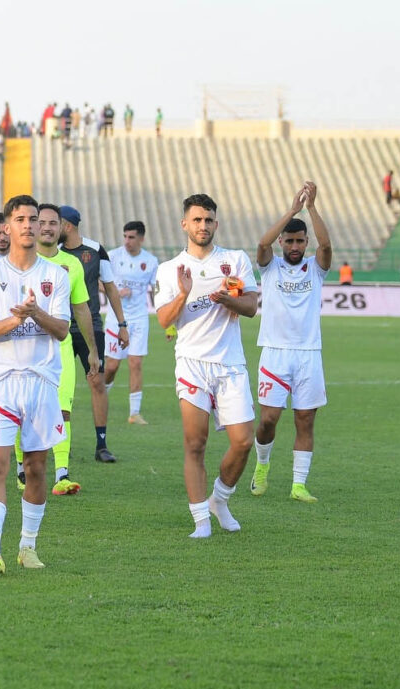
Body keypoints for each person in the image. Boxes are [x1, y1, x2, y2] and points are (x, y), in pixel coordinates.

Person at [0, 195, 71, 574]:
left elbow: (62, 330)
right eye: (20, 219)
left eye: (33, 219)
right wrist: (14, 321)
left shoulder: (55, 275)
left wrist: (35, 312)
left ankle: (27, 546)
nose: (28, 225)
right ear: (6, 228)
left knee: (37, 468)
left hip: (41, 382)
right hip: (0, 383)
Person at [156, 193, 258, 538]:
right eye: (197, 220)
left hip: (230, 364)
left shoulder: (234, 260)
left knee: (244, 441)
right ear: (185, 224)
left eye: (209, 219)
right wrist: (183, 294)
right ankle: (201, 519)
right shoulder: (169, 269)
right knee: (195, 443)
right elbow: (164, 320)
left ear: (216, 223)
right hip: (191, 363)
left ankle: (220, 499)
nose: (203, 225)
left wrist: (229, 299)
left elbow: (250, 307)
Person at [250, 182, 331, 503]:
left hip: (309, 354)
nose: (295, 246)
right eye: (290, 240)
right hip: (275, 353)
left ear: (306, 242)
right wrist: (291, 211)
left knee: (305, 419)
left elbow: (326, 246)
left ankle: (299, 485)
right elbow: (261, 243)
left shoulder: (315, 268)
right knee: (268, 419)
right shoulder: (270, 267)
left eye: (300, 241)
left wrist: (312, 208)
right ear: (282, 241)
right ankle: (262, 465)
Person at [22, 204, 98, 496]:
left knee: (62, 411)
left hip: (61, 347)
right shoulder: (23, 262)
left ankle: (62, 474)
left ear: (61, 228)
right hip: (27, 347)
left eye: (54, 223)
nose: (48, 228)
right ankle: (21, 470)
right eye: (42, 222)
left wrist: (91, 349)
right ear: (35, 226)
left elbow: (81, 309)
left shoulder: (72, 264)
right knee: (25, 411)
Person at [58, 205, 129, 462]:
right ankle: (46, 442)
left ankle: (101, 445)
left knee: (97, 382)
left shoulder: (95, 250)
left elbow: (110, 287)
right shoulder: (48, 252)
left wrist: (122, 325)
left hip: (90, 327)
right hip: (58, 328)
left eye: (56, 223)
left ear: (67, 226)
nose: (49, 228)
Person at [104, 221, 159, 424]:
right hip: (115, 319)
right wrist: (115, 293)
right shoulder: (112, 256)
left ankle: (134, 413)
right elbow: (98, 282)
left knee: (135, 363)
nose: (127, 241)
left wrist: (168, 322)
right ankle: (100, 396)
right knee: (112, 366)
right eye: (125, 236)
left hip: (139, 319)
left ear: (141, 239)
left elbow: (157, 290)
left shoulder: (151, 261)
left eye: (132, 237)